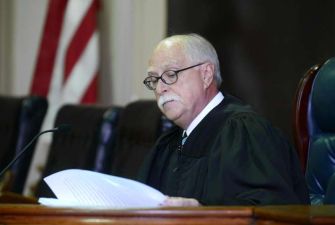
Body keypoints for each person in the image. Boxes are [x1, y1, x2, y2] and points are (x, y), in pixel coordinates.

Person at [138, 33, 309, 206]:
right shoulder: (166, 144)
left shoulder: (244, 132)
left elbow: (274, 210)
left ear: (206, 74)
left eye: (171, 74)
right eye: (153, 79)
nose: (160, 88)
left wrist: (201, 214)